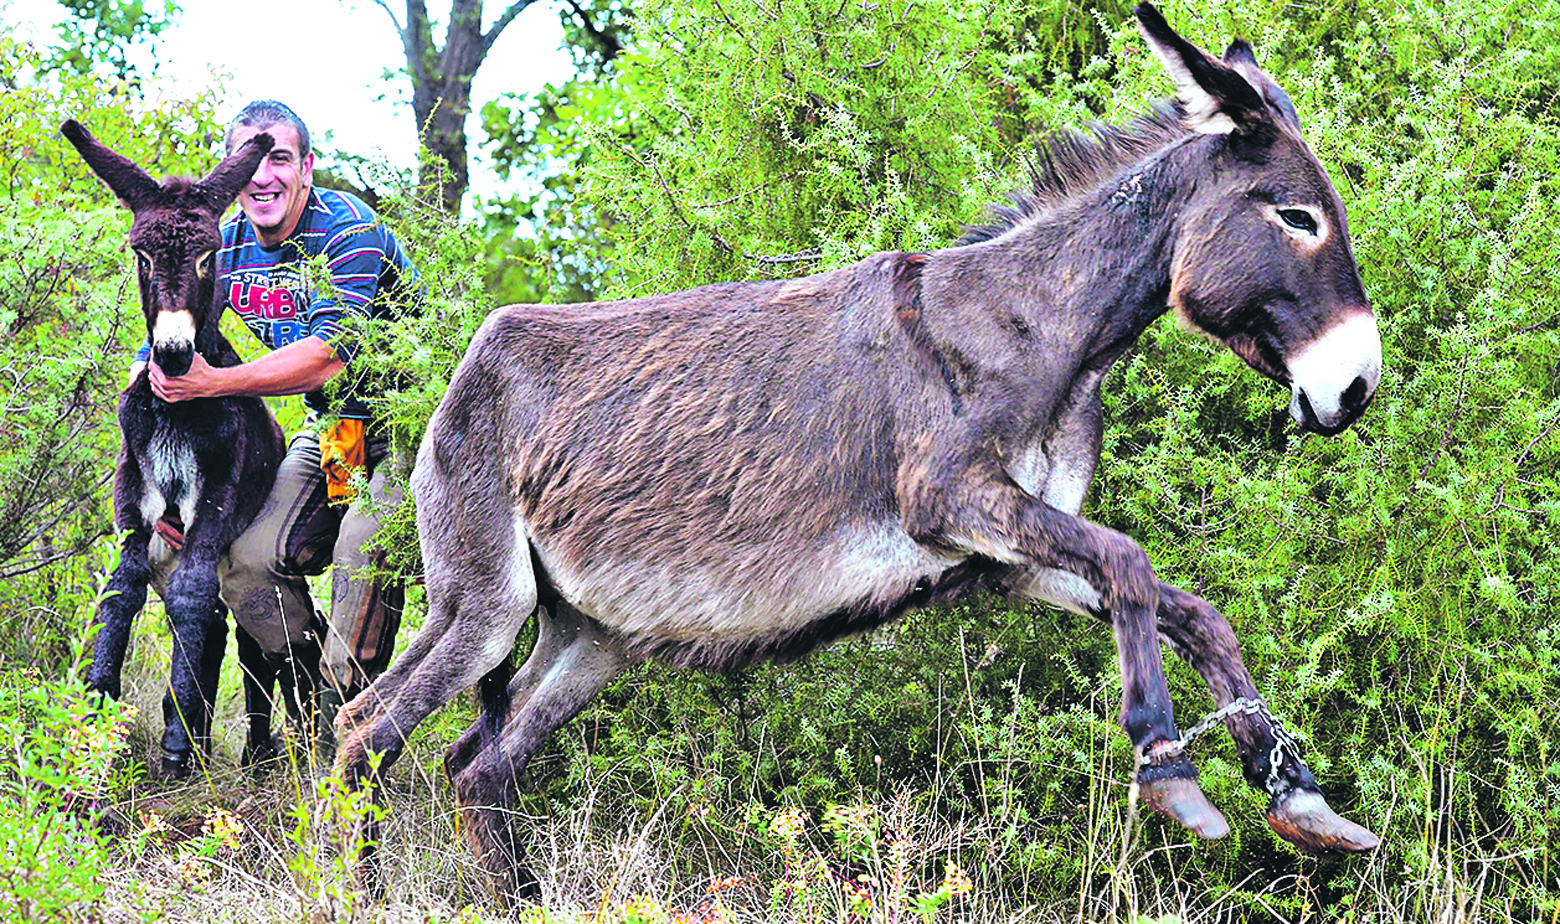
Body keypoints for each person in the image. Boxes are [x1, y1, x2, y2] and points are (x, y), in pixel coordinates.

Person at [131, 100, 418, 755]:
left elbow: (326, 357)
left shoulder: (346, 229)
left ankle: (356, 753)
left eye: (279, 159)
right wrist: (163, 487)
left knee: (362, 550)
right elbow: (167, 336)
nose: (263, 177)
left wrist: (215, 383)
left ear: (306, 168)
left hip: (413, 428)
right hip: (339, 432)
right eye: (250, 163)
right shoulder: (222, 243)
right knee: (248, 561)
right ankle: (311, 704)